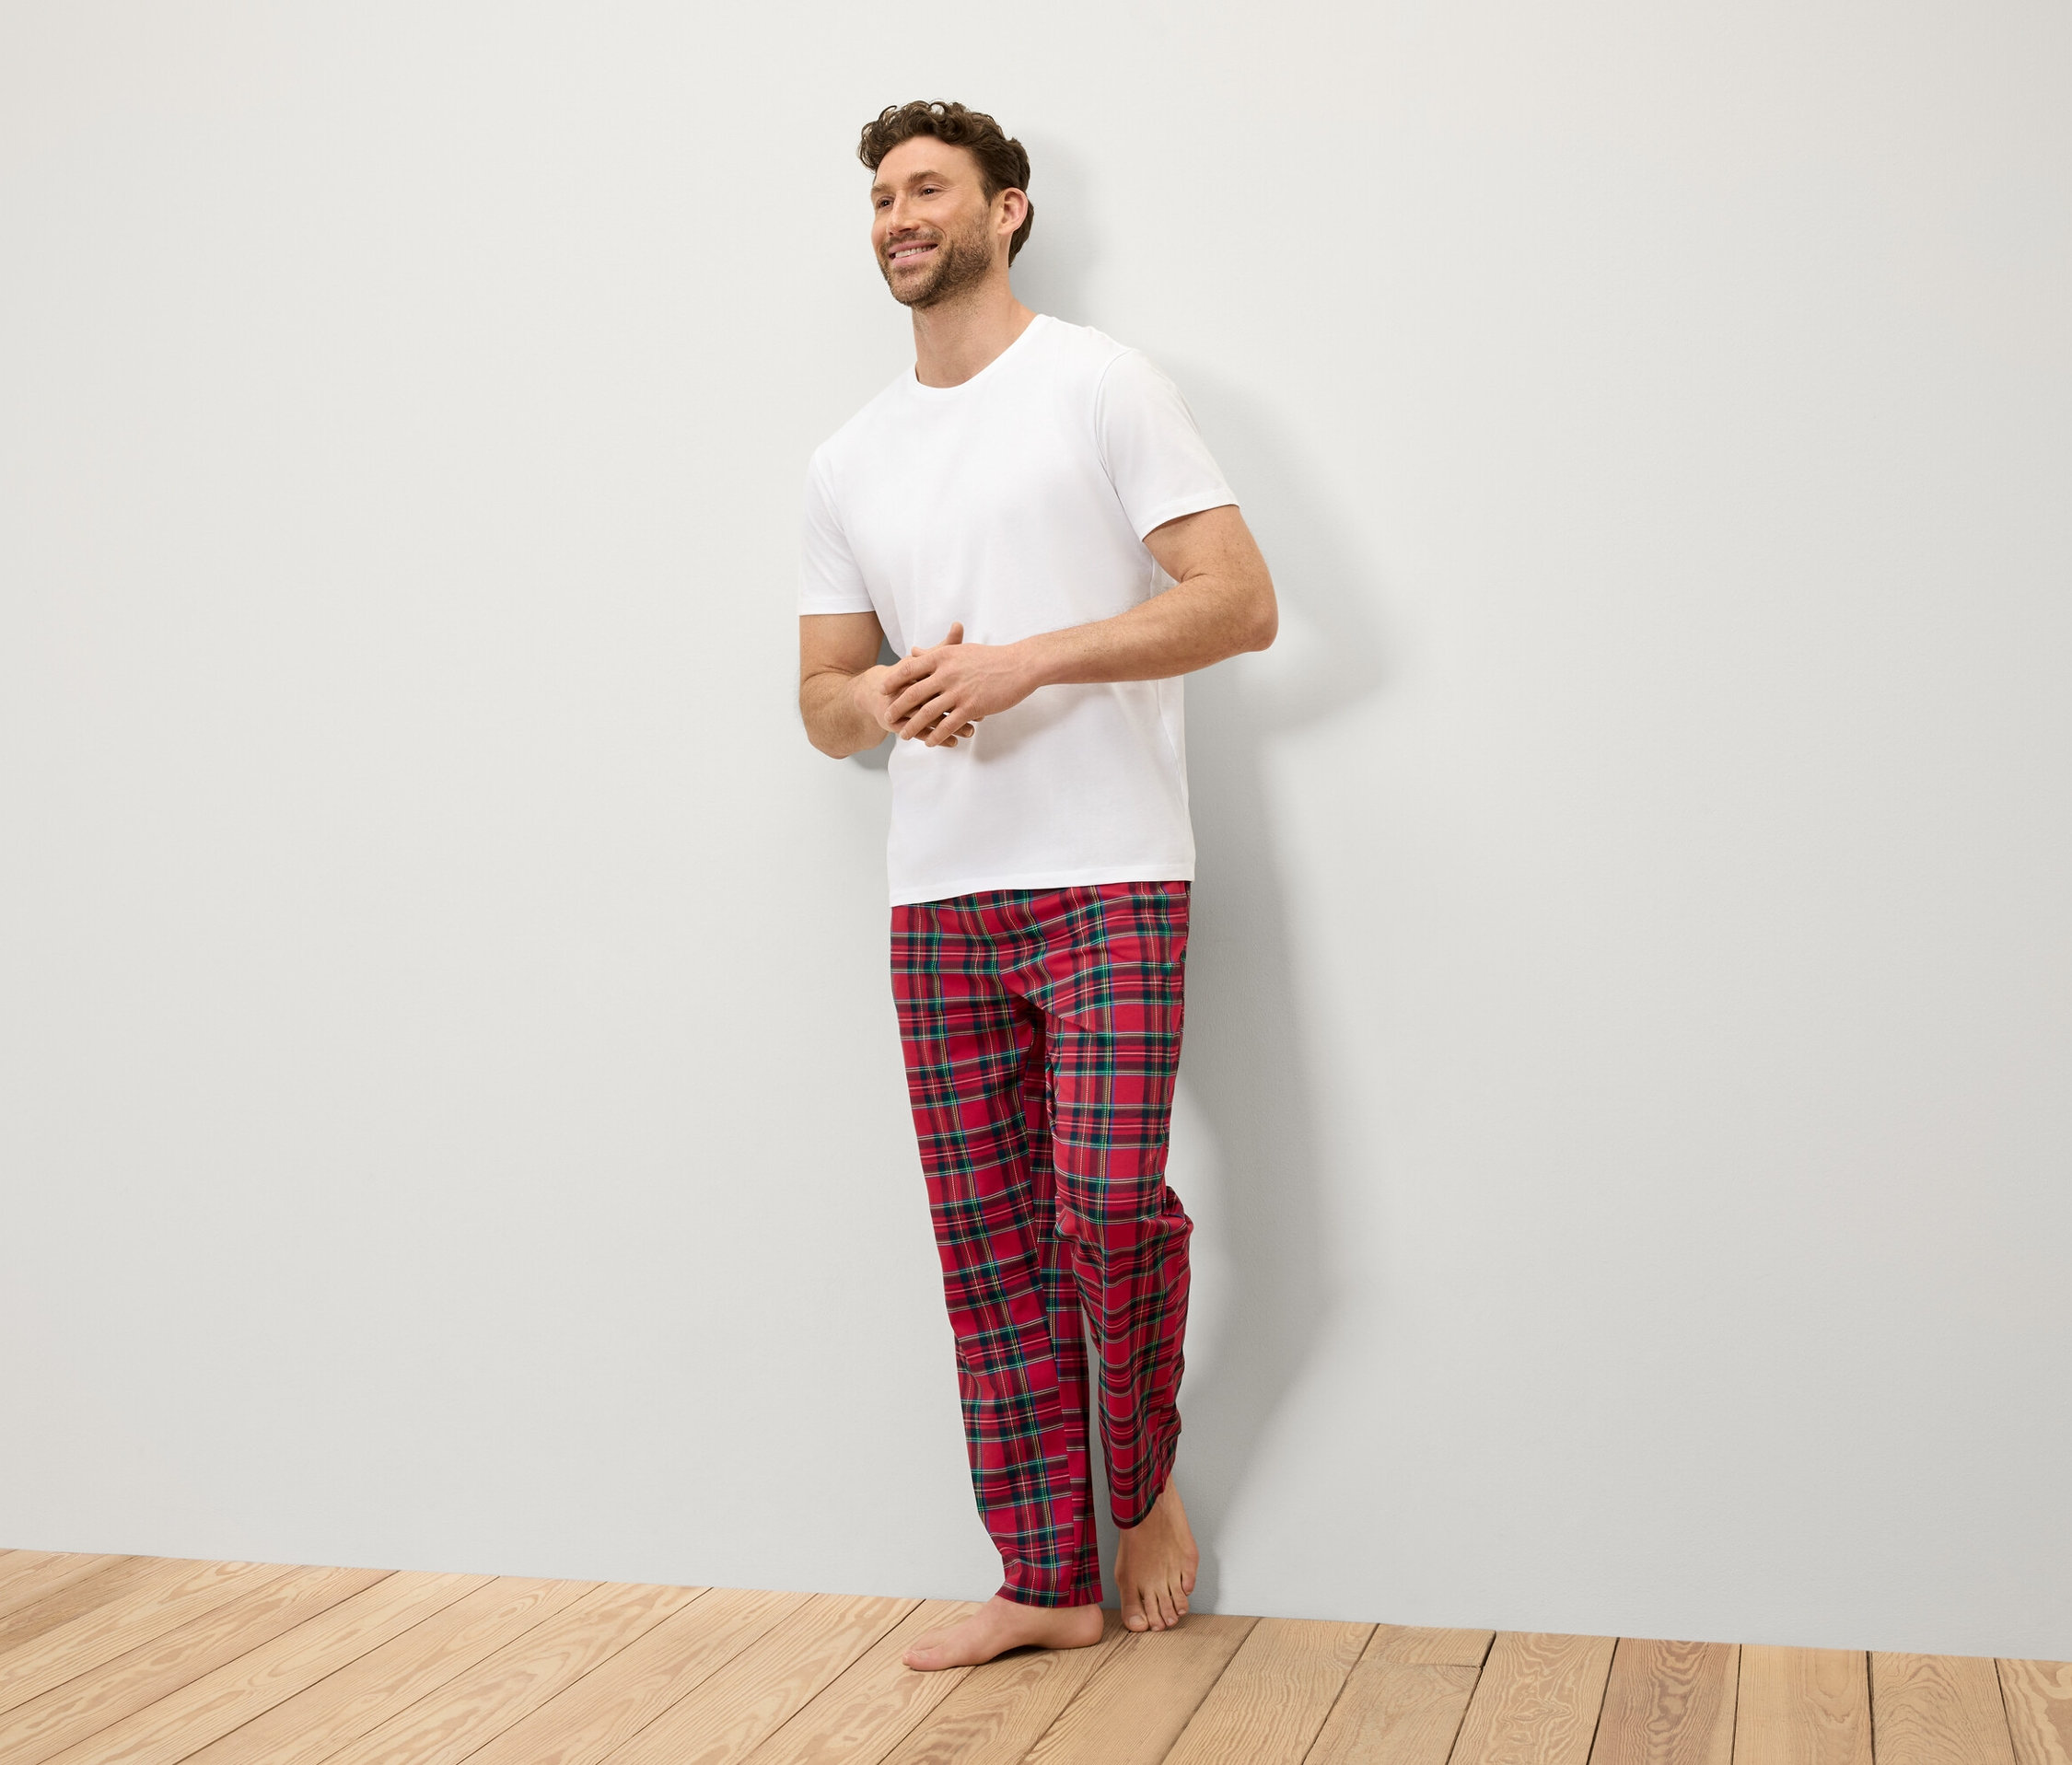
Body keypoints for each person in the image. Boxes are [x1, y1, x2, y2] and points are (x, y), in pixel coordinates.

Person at [796, 99, 1277, 1673]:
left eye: (924, 188)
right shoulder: (847, 455)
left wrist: (1024, 663)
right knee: (986, 1245)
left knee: (1102, 1207)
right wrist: (886, 699)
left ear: (1006, 212)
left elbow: (1239, 602)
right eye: (877, 195)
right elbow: (819, 700)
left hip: (1109, 874)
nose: (892, 215)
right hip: (937, 896)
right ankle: (1042, 1574)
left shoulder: (1098, 382)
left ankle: (1135, 1483)